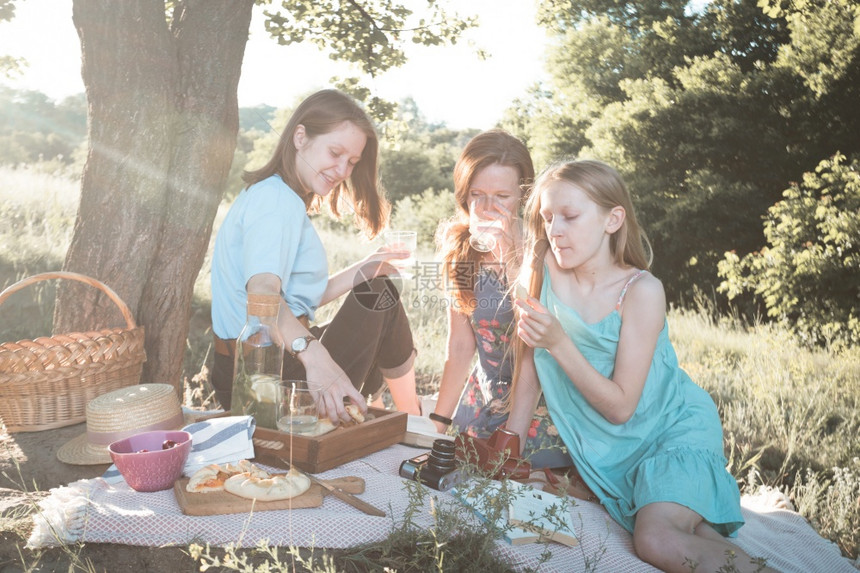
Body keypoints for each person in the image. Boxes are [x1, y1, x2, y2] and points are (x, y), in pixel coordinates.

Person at [507, 159, 775, 572]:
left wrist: (559, 342)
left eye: (570, 216)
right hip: (614, 451)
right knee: (693, 539)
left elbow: (621, 407)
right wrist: (511, 447)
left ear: (613, 219)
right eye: (547, 217)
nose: (554, 229)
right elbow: (530, 359)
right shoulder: (543, 260)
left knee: (655, 539)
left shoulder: (642, 290)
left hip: (670, 433)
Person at [210, 89, 420, 424]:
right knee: (382, 295)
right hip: (263, 377)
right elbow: (263, 293)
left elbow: (295, 303)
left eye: (351, 162)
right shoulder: (277, 202)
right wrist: (317, 357)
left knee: (375, 285)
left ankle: (398, 412)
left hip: (252, 365)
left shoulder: (275, 194)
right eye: (335, 153)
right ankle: (413, 417)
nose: (342, 170)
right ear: (300, 136)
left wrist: (366, 267)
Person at [431, 129, 570, 469]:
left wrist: (509, 254)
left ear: (524, 197)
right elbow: (461, 348)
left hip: (541, 406)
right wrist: (438, 422)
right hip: (481, 400)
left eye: (501, 196)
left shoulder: (547, 253)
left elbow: (539, 349)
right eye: (476, 194)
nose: (486, 208)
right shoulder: (461, 252)